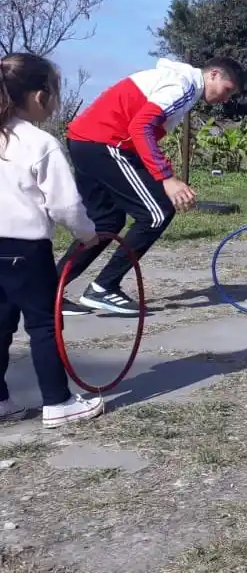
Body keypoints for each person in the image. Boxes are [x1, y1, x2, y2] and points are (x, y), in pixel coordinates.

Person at [55, 57, 244, 315]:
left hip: (85, 141)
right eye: (228, 89)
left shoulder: (179, 83)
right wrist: (167, 178)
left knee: (105, 222)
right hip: (106, 142)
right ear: (213, 74)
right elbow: (141, 126)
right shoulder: (183, 85)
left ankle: (49, 290)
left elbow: (143, 129)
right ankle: (104, 287)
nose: (226, 98)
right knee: (157, 213)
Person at [0, 53, 106, 427]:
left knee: (0, 324)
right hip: (26, 251)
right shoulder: (40, 143)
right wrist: (87, 234)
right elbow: (65, 205)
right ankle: (59, 402)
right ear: (41, 96)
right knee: (44, 325)